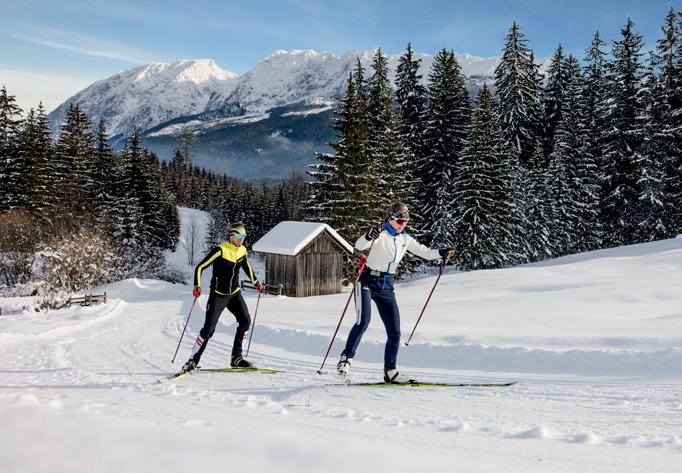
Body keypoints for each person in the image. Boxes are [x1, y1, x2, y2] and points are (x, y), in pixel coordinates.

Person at [336, 202, 455, 383]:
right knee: (363, 321)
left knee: (395, 332)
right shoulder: (380, 235)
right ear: (390, 219)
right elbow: (359, 245)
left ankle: (390, 371)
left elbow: (425, 253)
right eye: (400, 221)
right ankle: (346, 359)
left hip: (387, 286)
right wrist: (368, 235)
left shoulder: (405, 239)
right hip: (367, 282)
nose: (403, 224)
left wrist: (442, 252)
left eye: (406, 221)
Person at [182, 222, 264, 373]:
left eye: (244, 236)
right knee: (208, 330)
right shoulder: (220, 250)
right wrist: (196, 285)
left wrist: (256, 283)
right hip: (218, 296)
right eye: (239, 236)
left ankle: (236, 358)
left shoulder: (242, 250)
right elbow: (200, 267)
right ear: (232, 235)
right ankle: (192, 361)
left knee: (245, 321)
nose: (242, 239)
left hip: (235, 295)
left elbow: (246, 266)